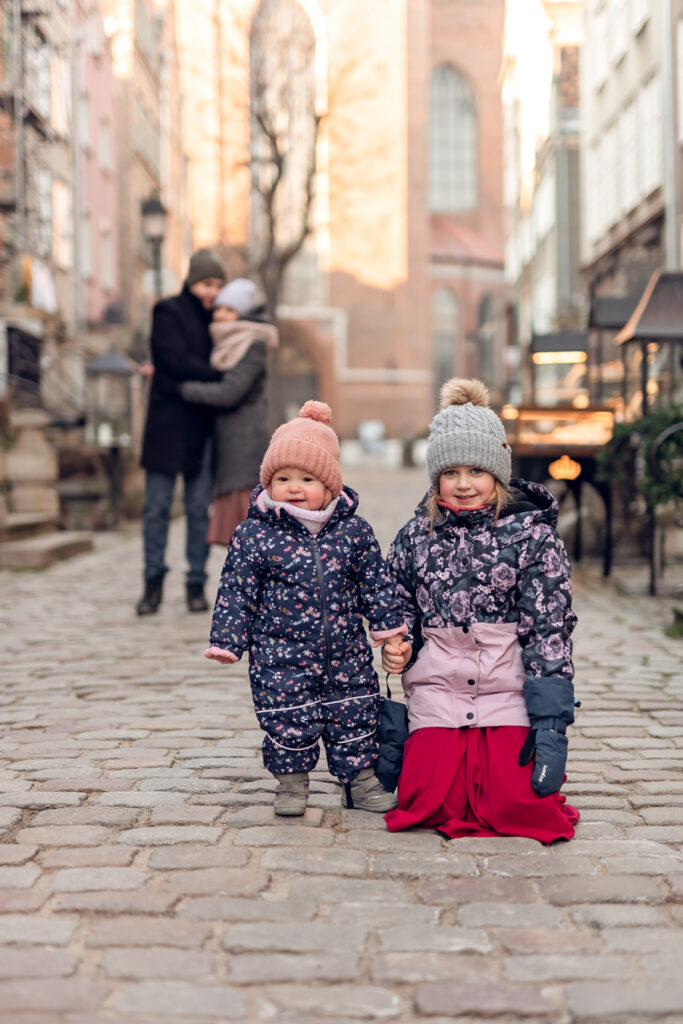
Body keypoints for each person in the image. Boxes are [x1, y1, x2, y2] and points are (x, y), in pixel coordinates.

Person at [381, 378, 580, 843]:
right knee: (429, 801)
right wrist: (399, 645)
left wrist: (550, 727)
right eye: (451, 472)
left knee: (516, 805)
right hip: (440, 687)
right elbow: (398, 605)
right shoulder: (415, 537)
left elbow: (548, 630)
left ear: (498, 473)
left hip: (504, 687)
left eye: (476, 470)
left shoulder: (533, 537)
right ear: (436, 477)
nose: (464, 484)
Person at [203, 400, 408, 816]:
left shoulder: (353, 532)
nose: (294, 487)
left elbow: (375, 584)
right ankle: (291, 782)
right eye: (283, 478)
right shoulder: (254, 535)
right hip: (280, 654)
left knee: (354, 714)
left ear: (329, 485)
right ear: (268, 482)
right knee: (287, 717)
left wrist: (390, 631)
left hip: (346, 653)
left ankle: (360, 780)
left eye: (307, 478)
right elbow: (237, 590)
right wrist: (228, 640)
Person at [137, 248, 226, 616]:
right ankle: (152, 583)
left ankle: (196, 584)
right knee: (157, 507)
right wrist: (216, 374)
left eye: (218, 285)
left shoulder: (220, 319)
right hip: (165, 424)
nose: (212, 292)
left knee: (198, 509)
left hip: (201, 426)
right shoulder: (167, 311)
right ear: (192, 281)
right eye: (207, 284)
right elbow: (172, 360)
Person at [179, 278, 279, 549]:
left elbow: (230, 392)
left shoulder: (254, 343)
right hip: (228, 446)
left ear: (243, 313)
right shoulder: (227, 344)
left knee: (249, 533)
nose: (220, 315)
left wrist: (184, 389)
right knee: (237, 540)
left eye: (229, 309)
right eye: (219, 308)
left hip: (244, 447)